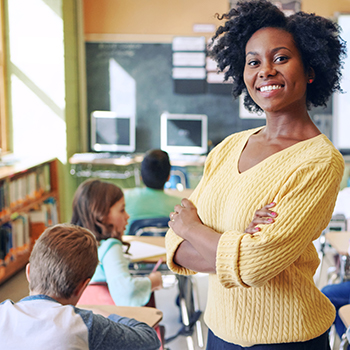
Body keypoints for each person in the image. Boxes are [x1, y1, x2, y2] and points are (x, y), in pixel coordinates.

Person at [165, 1, 346, 349]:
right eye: (253, 62)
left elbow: (252, 264)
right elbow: (175, 248)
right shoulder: (228, 147)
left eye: (280, 58)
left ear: (310, 68)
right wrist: (238, 241)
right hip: (218, 332)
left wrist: (193, 228)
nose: (265, 70)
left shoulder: (319, 161)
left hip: (287, 339)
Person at [0, 224, 161, 350]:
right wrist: (107, 315)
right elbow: (149, 339)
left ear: (28, 272)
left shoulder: (3, 313)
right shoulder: (84, 323)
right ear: (83, 286)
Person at [71, 179, 163, 307]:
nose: (127, 216)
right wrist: (153, 281)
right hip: (113, 321)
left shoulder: (74, 247)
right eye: (122, 210)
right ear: (102, 214)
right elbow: (127, 292)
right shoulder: (110, 248)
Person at [124, 149, 180, 233]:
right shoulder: (180, 207)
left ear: (141, 177)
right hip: (165, 246)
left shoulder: (125, 199)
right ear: (168, 177)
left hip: (134, 246)